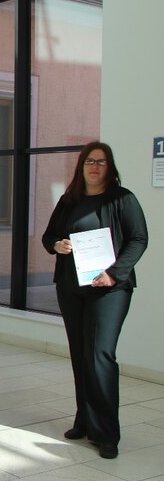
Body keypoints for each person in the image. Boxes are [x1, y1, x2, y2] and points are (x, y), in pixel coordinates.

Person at [42, 141, 147, 459]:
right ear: (81, 166)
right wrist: (57, 245)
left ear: (109, 167)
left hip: (110, 289)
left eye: (101, 161)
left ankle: (107, 433)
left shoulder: (123, 199)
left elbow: (139, 238)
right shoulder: (68, 200)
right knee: (79, 353)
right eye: (90, 161)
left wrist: (114, 274)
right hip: (71, 288)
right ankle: (85, 421)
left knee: (100, 355)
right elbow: (49, 237)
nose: (95, 166)